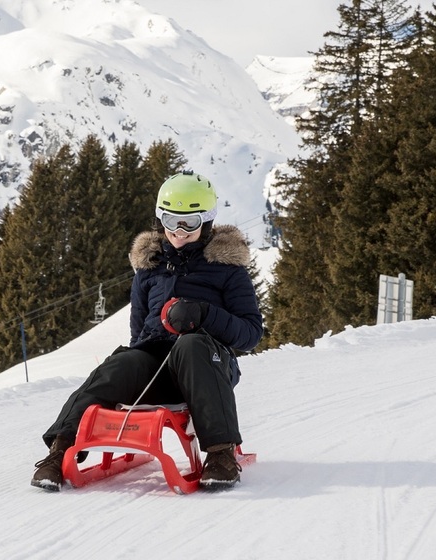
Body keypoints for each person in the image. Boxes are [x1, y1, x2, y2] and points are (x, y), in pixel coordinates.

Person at [30, 171, 263, 491]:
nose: (178, 232)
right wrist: (143, 351)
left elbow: (250, 334)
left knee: (191, 346)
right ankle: (60, 450)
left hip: (208, 365)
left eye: (189, 223)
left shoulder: (228, 270)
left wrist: (204, 314)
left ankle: (221, 454)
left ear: (206, 223)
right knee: (122, 362)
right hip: (157, 361)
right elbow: (138, 330)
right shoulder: (149, 269)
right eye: (170, 221)